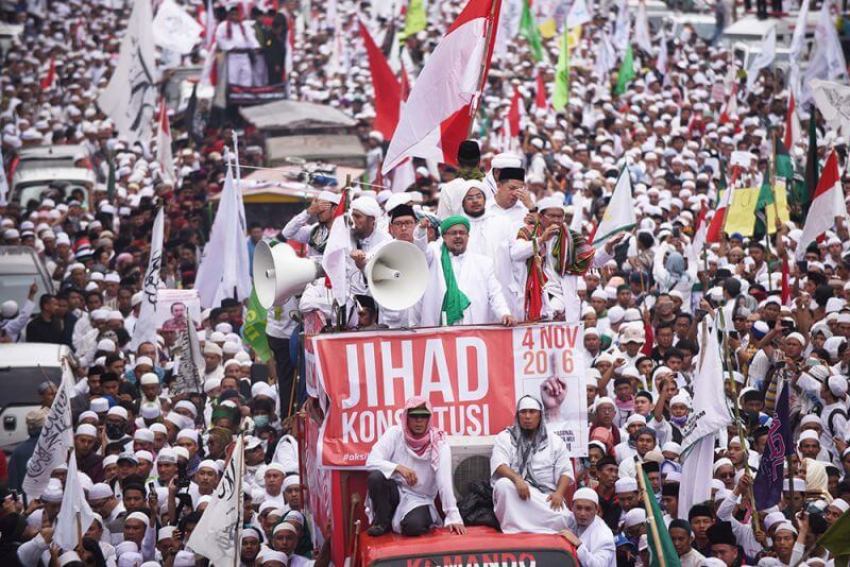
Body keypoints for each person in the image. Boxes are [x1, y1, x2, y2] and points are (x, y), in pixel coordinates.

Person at [365, 397, 465, 537]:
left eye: (424, 416)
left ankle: (408, 518)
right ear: (406, 417)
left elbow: (444, 482)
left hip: (420, 498)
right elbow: (371, 461)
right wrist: (399, 468)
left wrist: (452, 515)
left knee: (413, 527)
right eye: (414, 416)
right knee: (376, 477)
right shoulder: (395, 434)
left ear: (429, 418)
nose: (419, 421)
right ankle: (382, 523)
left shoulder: (439, 443)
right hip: (395, 492)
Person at [491, 396, 573, 533]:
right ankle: (514, 529)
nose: (527, 416)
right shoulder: (505, 437)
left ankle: (529, 525)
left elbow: (565, 471)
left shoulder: (555, 441)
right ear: (517, 416)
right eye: (523, 412)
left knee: (563, 517)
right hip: (517, 493)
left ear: (540, 415)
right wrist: (517, 479)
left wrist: (559, 494)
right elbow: (499, 464)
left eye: (532, 412)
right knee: (503, 485)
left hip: (543, 497)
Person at [419, 216, 514, 327]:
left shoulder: (483, 263)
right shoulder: (434, 256)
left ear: (468, 236)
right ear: (444, 237)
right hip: (439, 327)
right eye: (453, 233)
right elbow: (421, 250)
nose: (458, 236)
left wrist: (504, 313)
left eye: (462, 233)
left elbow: (495, 294)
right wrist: (421, 231)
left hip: (472, 330)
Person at [559, 487, 616, 567]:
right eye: (579, 508)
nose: (582, 513)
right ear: (572, 508)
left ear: (596, 510)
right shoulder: (571, 519)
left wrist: (579, 545)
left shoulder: (604, 535)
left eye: (588, 509)